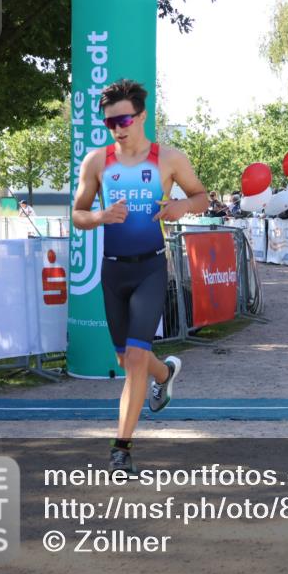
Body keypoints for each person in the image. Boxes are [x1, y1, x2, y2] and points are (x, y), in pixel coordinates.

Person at [71, 79, 208, 473]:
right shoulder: (97, 162)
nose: (118, 127)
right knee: (127, 355)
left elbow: (201, 196)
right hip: (113, 269)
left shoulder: (169, 158)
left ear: (142, 116)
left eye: (125, 119)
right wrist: (99, 216)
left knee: (133, 359)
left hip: (150, 266)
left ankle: (121, 449)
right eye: (110, 122)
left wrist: (183, 206)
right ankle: (165, 374)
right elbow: (78, 215)